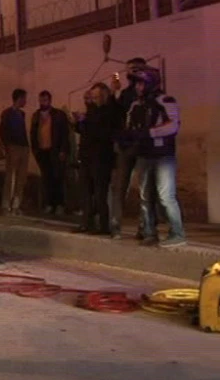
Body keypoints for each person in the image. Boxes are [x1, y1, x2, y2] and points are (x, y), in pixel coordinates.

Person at [119, 67, 187, 247]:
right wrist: (127, 136)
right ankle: (149, 232)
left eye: (141, 83)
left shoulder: (165, 100)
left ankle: (177, 233)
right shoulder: (135, 105)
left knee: (166, 196)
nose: (138, 87)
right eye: (136, 83)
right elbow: (130, 126)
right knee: (145, 196)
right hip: (143, 154)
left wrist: (150, 132)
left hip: (163, 155)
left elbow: (173, 125)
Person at [109, 57, 160, 240]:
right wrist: (114, 94)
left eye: (135, 70)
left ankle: (145, 226)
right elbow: (117, 115)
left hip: (143, 146)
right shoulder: (126, 94)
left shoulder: (152, 95)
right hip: (125, 145)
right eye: (128, 70)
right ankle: (115, 224)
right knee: (120, 186)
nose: (131, 74)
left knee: (145, 189)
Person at [74, 83, 119, 234]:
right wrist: (79, 121)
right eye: (91, 97)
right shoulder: (92, 111)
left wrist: (86, 123)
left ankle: (104, 225)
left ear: (103, 96)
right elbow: (84, 131)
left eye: (95, 97)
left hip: (101, 157)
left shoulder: (108, 111)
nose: (92, 100)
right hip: (86, 156)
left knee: (100, 193)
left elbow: (101, 132)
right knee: (85, 191)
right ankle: (87, 223)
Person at [29, 90, 70, 215]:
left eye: (45, 100)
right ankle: (49, 204)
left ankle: (59, 204)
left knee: (57, 178)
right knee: (47, 179)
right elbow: (33, 133)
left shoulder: (58, 115)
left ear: (50, 101)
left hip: (55, 151)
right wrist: (35, 150)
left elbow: (64, 134)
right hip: (42, 151)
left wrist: (63, 150)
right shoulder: (36, 115)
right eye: (41, 100)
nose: (43, 103)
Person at [0, 89, 29, 216]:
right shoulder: (7, 113)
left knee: (21, 177)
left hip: (23, 147)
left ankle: (16, 205)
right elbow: (3, 130)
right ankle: (6, 205)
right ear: (19, 99)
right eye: (24, 98)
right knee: (10, 176)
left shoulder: (22, 114)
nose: (25, 101)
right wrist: (7, 146)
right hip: (13, 147)